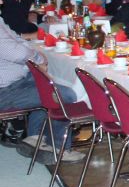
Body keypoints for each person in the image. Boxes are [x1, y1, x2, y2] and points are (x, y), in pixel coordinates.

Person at [0, 17, 83, 161]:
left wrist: (35, 57)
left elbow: (17, 40)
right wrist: (38, 58)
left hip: (18, 80)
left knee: (48, 84)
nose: (1, 1)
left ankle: (35, 138)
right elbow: (17, 53)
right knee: (64, 95)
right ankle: (59, 148)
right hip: (5, 91)